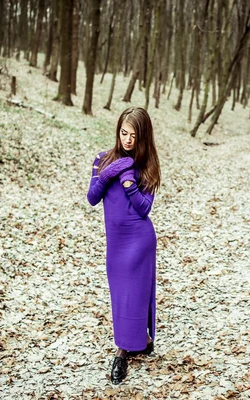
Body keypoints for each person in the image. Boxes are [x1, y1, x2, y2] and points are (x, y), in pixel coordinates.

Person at [86, 107, 161, 384]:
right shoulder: (102, 159)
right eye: (123, 133)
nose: (127, 140)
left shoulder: (148, 165)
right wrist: (107, 175)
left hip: (140, 240)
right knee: (121, 295)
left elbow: (144, 209)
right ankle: (141, 339)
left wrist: (129, 182)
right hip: (116, 244)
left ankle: (121, 354)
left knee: (136, 294)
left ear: (143, 137)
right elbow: (92, 198)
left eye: (133, 135)